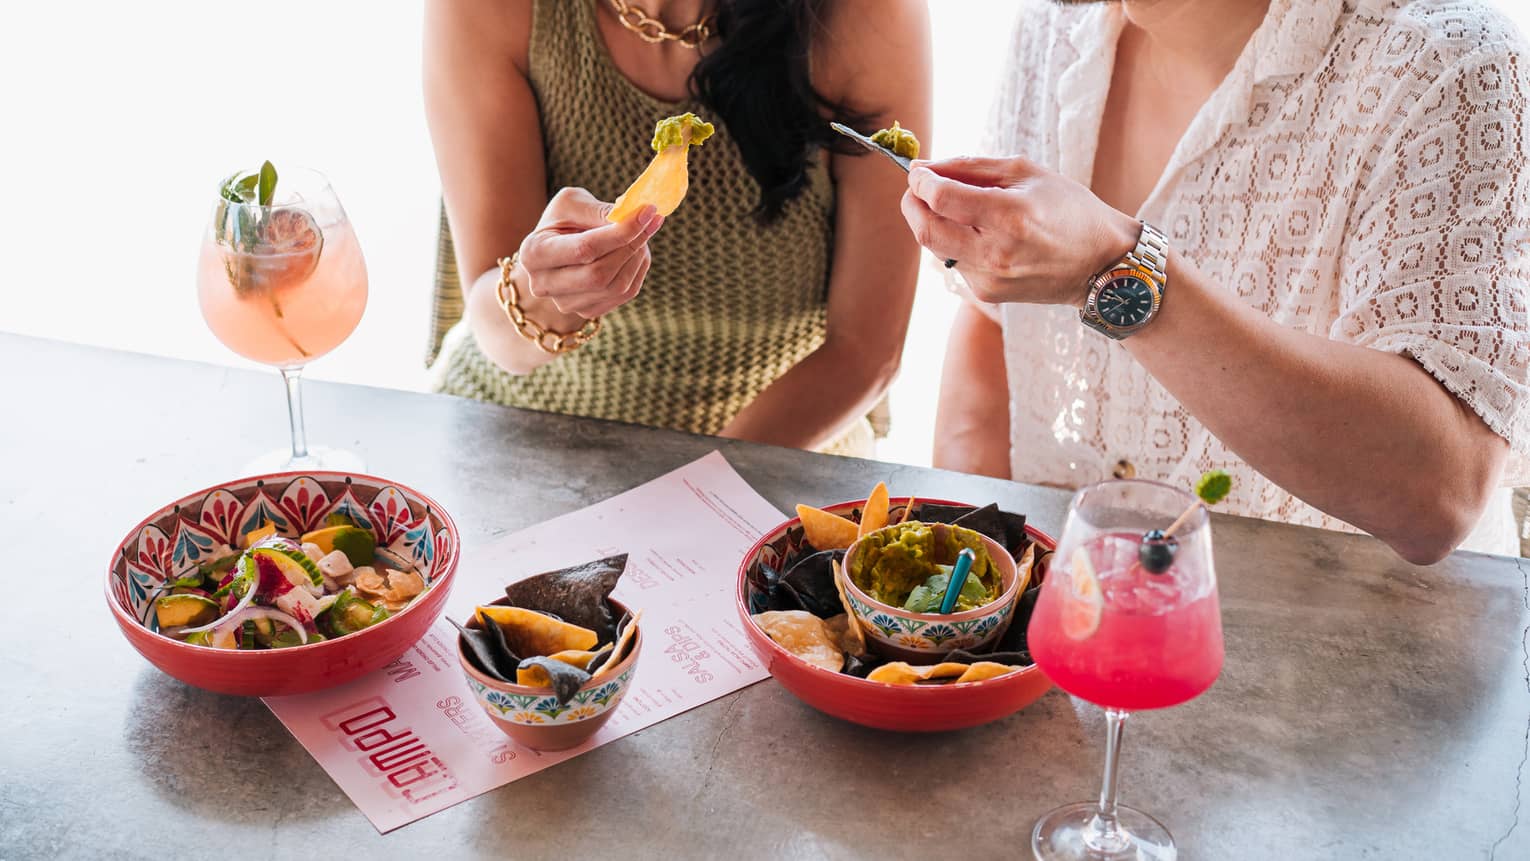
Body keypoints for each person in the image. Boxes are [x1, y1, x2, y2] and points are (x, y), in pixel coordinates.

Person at [905, 0, 1530, 562]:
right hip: (1075, 634)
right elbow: (994, 327)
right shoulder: (1054, 25)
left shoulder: (1447, 63)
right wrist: (978, 567)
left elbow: (1442, 491)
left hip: (1357, 659)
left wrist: (1118, 273)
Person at [423, 0, 930, 454]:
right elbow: (492, 328)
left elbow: (867, 350)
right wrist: (549, 289)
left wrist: (695, 492)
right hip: (519, 439)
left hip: (779, 457)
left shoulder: (864, 15)